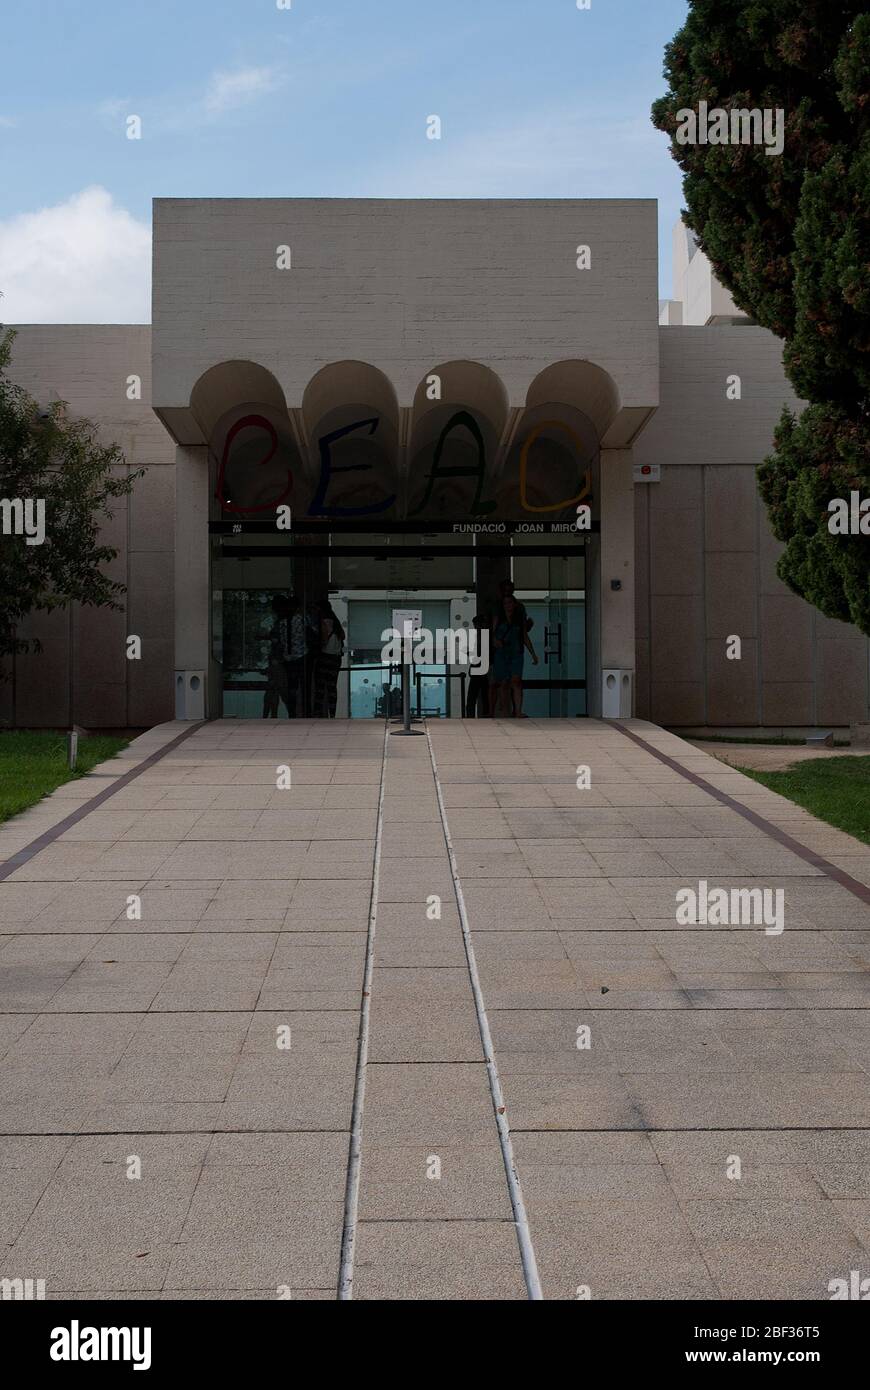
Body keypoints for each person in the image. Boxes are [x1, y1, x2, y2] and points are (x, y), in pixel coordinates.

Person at [489, 592, 538, 717]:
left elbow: (524, 637)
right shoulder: (498, 617)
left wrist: (533, 654)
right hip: (501, 652)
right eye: (505, 603)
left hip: (516, 652)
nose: (508, 605)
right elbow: (492, 634)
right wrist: (495, 641)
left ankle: (517, 711)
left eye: (510, 602)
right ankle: (505, 710)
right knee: (503, 682)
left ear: (515, 604)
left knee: (516, 682)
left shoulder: (519, 618)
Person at [312, 598, 345, 718]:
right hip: (335, 658)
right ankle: (332, 713)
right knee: (332, 687)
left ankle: (318, 713)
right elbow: (342, 637)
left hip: (325, 657)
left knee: (320, 686)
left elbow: (324, 640)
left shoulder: (323, 622)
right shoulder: (336, 623)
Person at [263, 596, 291, 718]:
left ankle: (272, 714)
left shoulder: (282, 622)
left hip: (278, 660)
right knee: (276, 688)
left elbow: (279, 641)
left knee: (277, 688)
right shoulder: (282, 621)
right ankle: (274, 714)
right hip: (278, 660)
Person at [280, 595, 306, 717]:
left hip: (290, 657)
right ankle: (301, 712)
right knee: (301, 685)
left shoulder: (283, 622)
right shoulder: (302, 620)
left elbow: (282, 640)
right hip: (300, 655)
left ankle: (293, 712)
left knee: (292, 685)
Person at [464, 615, 489, 718]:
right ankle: (485, 714)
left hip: (479, 667)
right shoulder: (483, 636)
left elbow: (479, 653)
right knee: (483, 694)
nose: (476, 627)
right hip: (480, 667)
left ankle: (472, 715)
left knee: (473, 695)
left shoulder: (482, 636)